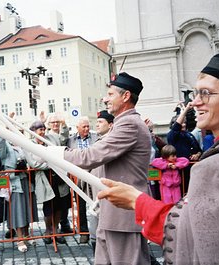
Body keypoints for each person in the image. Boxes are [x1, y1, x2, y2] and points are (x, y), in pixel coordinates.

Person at [97, 52, 219, 264]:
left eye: (206, 93)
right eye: (196, 93)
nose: (195, 103)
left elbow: (209, 242)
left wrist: (138, 202)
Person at [63, 72, 152, 264]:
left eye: (110, 94)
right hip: (111, 214)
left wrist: (56, 153)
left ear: (126, 96)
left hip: (124, 217)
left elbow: (91, 156)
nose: (105, 99)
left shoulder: (129, 124)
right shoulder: (122, 123)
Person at [26, 120, 70, 245]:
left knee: (59, 207)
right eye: (40, 129)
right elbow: (34, 164)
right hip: (44, 179)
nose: (43, 131)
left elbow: (63, 139)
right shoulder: (30, 144)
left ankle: (56, 230)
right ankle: (48, 231)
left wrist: (64, 126)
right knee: (48, 208)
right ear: (34, 132)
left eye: (44, 129)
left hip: (58, 178)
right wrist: (52, 164)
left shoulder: (52, 138)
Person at [0, 136, 39, 252]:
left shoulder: (22, 146)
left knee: (27, 209)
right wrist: (3, 130)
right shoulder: (6, 147)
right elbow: (0, 142)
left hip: (26, 180)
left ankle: (26, 235)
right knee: (18, 210)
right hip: (14, 182)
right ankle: (20, 239)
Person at [66, 116, 98, 244]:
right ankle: (84, 232)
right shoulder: (70, 140)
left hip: (93, 175)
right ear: (77, 128)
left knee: (96, 203)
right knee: (80, 206)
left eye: (88, 126)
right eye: (83, 127)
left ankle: (97, 230)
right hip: (78, 177)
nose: (86, 129)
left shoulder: (95, 138)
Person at [88, 110, 114, 252]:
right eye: (96, 122)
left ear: (110, 125)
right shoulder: (99, 140)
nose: (97, 125)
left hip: (107, 193)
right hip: (95, 194)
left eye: (100, 122)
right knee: (95, 231)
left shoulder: (110, 141)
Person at [167, 103, 202, 194]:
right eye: (182, 123)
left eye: (184, 122)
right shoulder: (172, 135)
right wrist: (185, 110)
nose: (184, 124)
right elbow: (177, 126)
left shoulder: (189, 134)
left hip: (193, 169)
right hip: (180, 172)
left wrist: (197, 155)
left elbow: (199, 150)